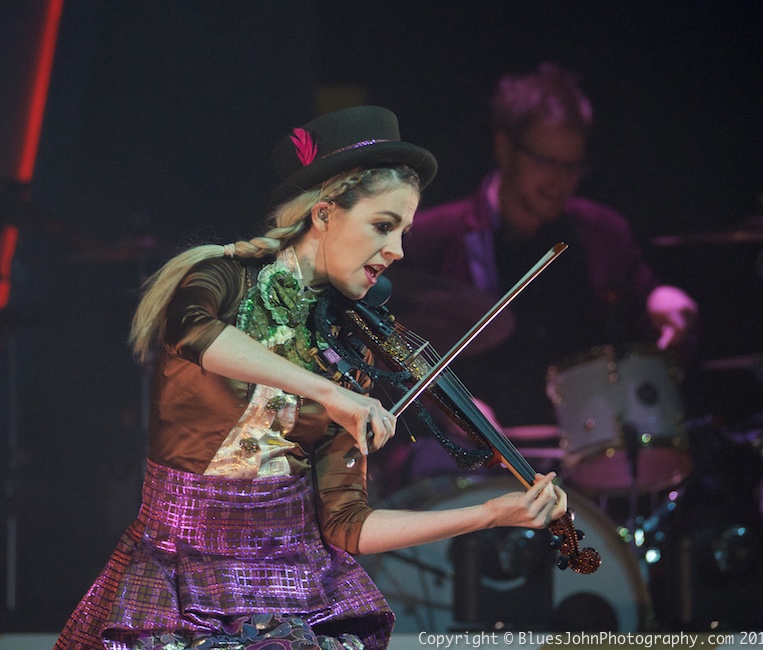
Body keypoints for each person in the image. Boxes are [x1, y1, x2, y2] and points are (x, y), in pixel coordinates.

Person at [54, 105, 568, 650]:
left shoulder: (347, 349)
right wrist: (328, 392)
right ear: (324, 214)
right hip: (182, 579)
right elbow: (192, 332)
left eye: (404, 232)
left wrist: (489, 514)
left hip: (294, 593)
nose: (397, 251)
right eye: (383, 226)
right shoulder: (223, 278)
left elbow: (346, 523)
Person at [384, 64, 698, 482]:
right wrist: (450, 407)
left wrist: (660, 299)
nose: (560, 181)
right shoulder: (430, 237)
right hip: (469, 458)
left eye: (572, 166)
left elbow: (641, 294)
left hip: (577, 455)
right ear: (504, 150)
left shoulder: (602, 232)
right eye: (546, 162)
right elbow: (387, 348)